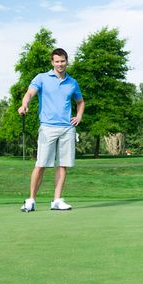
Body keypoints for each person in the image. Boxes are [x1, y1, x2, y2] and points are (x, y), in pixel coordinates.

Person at [18, 48, 84, 212]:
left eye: (62, 61)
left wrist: (79, 116)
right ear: (52, 62)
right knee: (41, 164)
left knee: (62, 165)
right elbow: (29, 93)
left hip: (67, 129)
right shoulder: (42, 78)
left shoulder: (72, 83)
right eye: (57, 61)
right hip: (48, 127)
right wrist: (24, 104)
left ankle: (57, 200)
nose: (60, 64)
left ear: (66, 62)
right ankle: (31, 200)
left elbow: (80, 102)